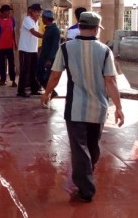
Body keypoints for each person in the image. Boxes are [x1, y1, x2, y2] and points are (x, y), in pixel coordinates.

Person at [40, 11, 125, 202]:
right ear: (96, 29)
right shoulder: (104, 51)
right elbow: (110, 81)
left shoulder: (66, 48)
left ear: (79, 26)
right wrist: (118, 107)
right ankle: (86, 177)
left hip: (75, 108)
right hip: (99, 108)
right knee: (92, 146)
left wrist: (46, 93)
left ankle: (86, 188)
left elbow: (55, 75)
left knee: (79, 147)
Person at [17, 3, 43, 97]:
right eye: (36, 11)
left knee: (33, 70)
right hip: (25, 49)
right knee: (24, 70)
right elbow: (33, 32)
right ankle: (21, 91)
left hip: (33, 49)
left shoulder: (36, 21)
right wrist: (45, 36)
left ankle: (34, 89)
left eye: (39, 11)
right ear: (31, 11)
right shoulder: (27, 20)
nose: (38, 13)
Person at [37, 9, 61, 96]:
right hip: (43, 56)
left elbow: (55, 46)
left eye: (42, 17)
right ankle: (51, 91)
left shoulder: (55, 30)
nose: (42, 19)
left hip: (49, 58)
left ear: (46, 18)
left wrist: (49, 60)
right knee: (38, 74)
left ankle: (50, 91)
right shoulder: (48, 29)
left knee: (47, 77)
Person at [0, 4, 17, 87]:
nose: (8, 13)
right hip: (1, 46)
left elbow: (13, 32)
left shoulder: (12, 20)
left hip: (10, 46)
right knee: (2, 64)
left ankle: (13, 80)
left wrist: (15, 43)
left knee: (11, 64)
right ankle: (3, 79)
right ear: (2, 12)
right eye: (7, 11)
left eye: (9, 11)